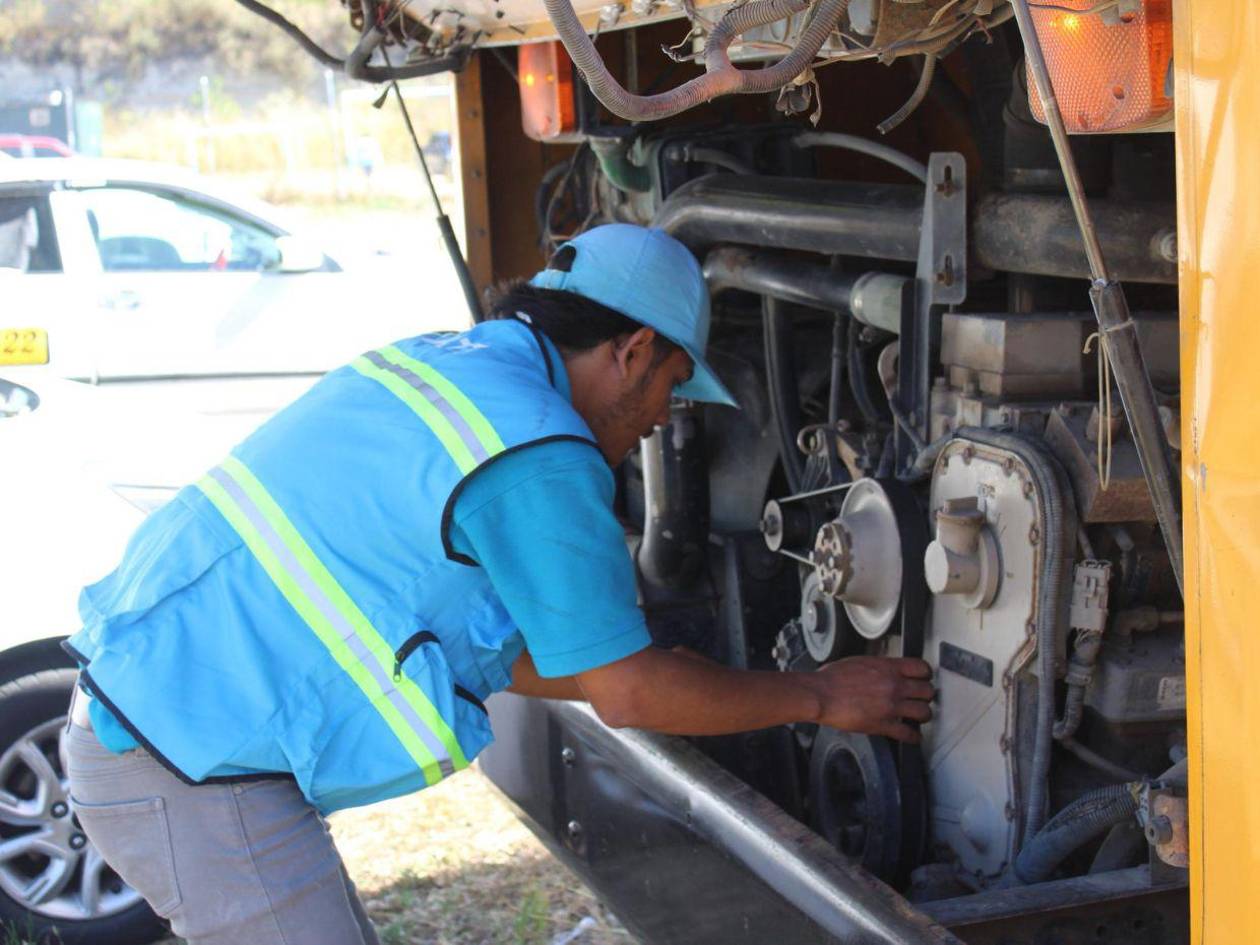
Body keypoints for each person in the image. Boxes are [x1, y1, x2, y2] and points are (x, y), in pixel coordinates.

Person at [62, 223, 934, 945]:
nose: (665, 416)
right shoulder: (539, 447)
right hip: (184, 767)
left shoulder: (448, 367)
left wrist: (655, 675)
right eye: (672, 383)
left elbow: (511, 658)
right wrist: (822, 695)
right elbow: (627, 695)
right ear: (632, 350)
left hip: (165, 731)